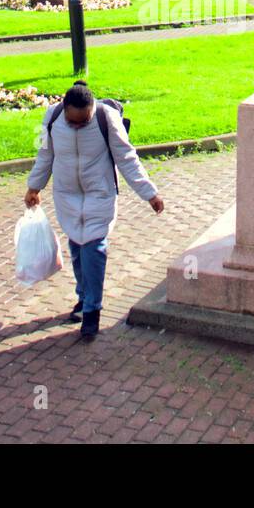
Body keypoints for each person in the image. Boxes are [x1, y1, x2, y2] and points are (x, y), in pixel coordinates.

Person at [24, 81, 164, 339]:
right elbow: (45, 155)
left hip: (100, 193)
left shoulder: (106, 117)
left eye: (84, 121)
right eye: (73, 121)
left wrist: (149, 193)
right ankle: (83, 297)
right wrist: (34, 187)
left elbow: (126, 157)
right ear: (64, 110)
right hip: (67, 195)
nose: (78, 125)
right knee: (77, 247)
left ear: (92, 110)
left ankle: (92, 311)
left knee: (94, 247)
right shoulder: (52, 117)